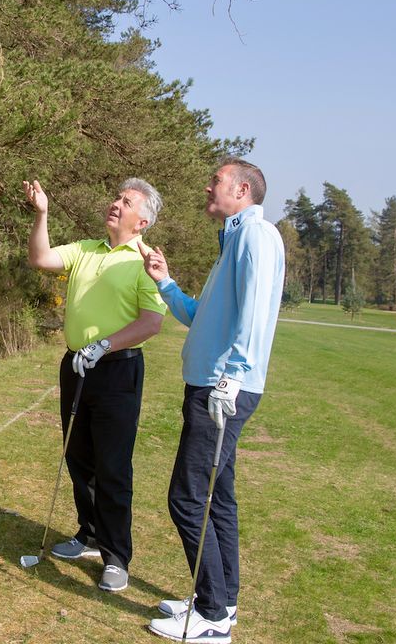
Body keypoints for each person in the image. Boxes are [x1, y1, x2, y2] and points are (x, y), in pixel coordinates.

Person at [138, 157, 285, 643]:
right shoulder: (233, 240)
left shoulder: (256, 236)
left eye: (216, 181)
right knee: (218, 497)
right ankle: (223, 600)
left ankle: (213, 617)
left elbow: (257, 310)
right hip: (213, 385)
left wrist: (232, 377)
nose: (208, 186)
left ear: (242, 190)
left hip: (220, 389)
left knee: (186, 496)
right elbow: (205, 317)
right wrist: (165, 282)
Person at [24, 177, 168, 594]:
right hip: (76, 366)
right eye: (117, 198)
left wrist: (104, 345)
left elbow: (152, 322)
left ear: (142, 221)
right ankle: (87, 535)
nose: (116, 204)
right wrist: (42, 213)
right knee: (79, 456)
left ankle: (116, 556)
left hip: (117, 369)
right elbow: (41, 258)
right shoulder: (87, 248)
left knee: (113, 466)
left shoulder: (144, 261)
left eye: (127, 202)